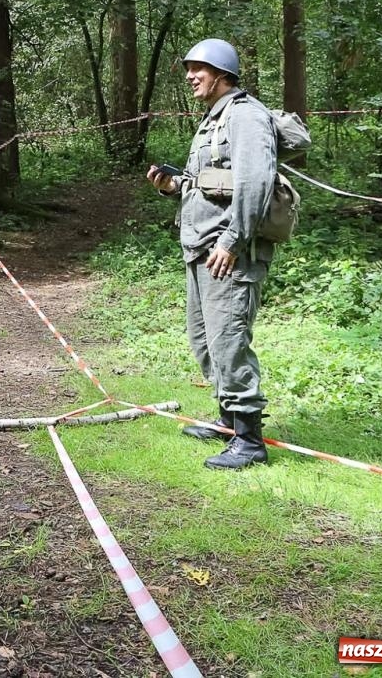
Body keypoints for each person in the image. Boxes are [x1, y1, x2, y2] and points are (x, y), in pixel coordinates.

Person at [146, 39, 277, 471]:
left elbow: (255, 184)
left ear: (221, 73)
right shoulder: (212, 121)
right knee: (205, 342)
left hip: (228, 253)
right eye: (188, 68)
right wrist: (173, 186)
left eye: (198, 68)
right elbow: (210, 184)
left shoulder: (246, 117)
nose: (189, 76)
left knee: (229, 341)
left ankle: (249, 441)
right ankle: (226, 422)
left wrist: (231, 241)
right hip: (201, 249)